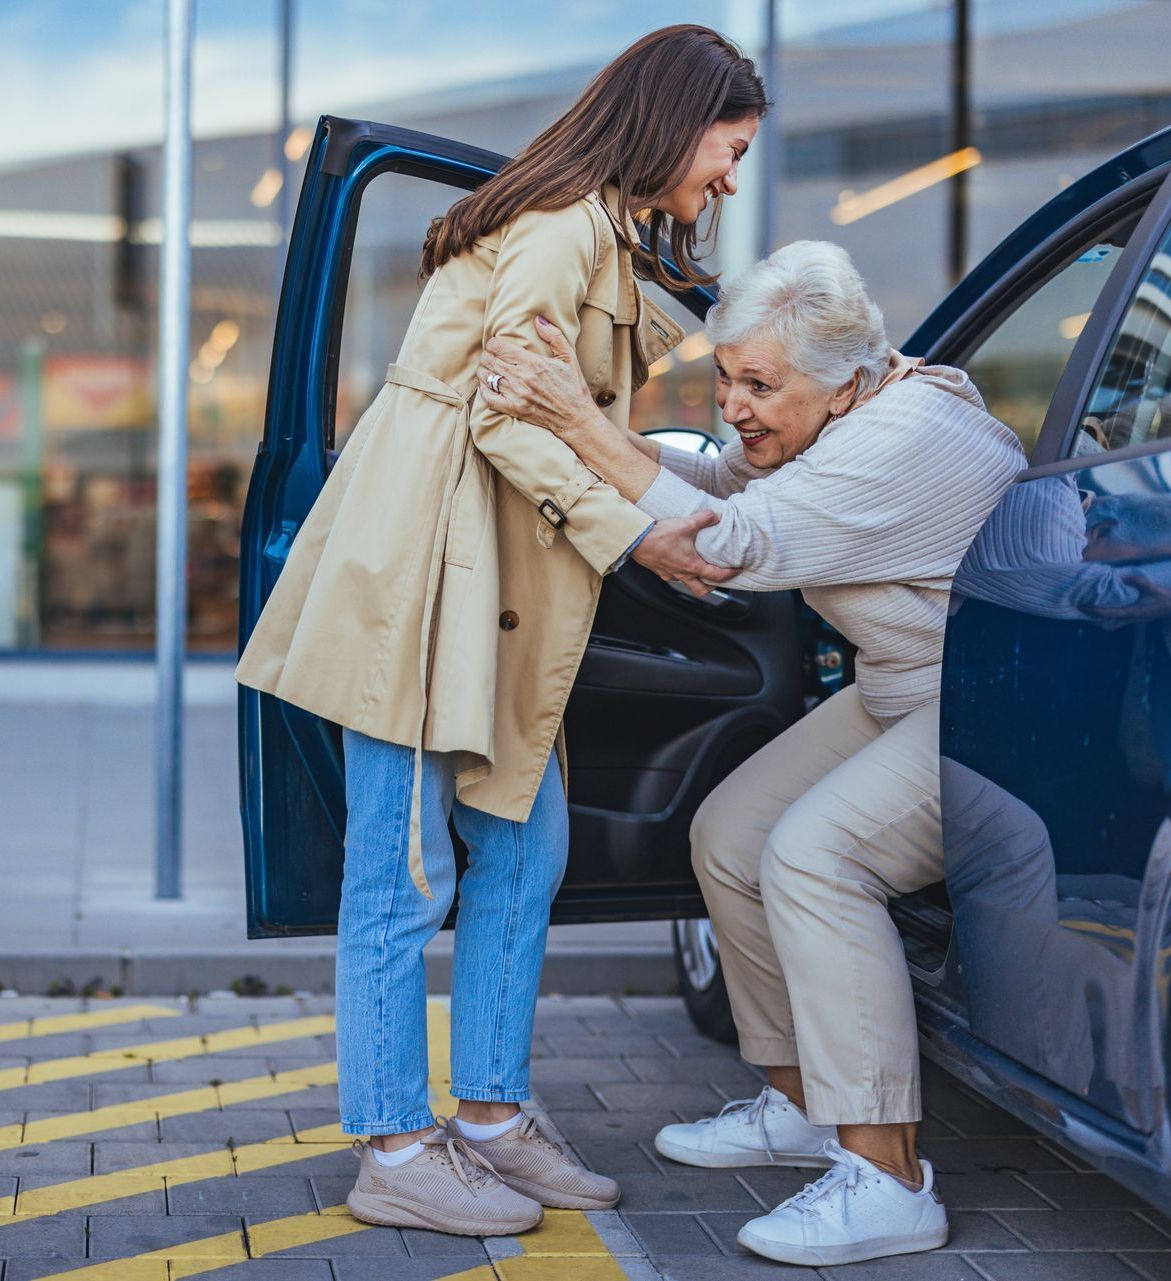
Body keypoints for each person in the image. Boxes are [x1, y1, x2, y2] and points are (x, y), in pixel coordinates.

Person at [235, 25, 766, 1237]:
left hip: (488, 586)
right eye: (728, 149)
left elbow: (559, 418)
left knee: (525, 850)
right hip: (428, 577)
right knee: (403, 873)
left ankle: (486, 1114)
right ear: (678, 121)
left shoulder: (598, 230)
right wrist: (639, 535)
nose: (728, 178)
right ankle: (392, 1144)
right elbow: (509, 415)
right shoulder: (561, 226)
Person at [477, 239, 1027, 1266]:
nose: (735, 402)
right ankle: (802, 1104)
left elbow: (729, 540)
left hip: (986, 710)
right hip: (902, 689)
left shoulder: (903, 436)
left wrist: (577, 423)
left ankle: (888, 1178)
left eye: (760, 384)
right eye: (726, 377)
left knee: (815, 855)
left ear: (846, 377)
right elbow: (716, 474)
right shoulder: (835, 412)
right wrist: (602, 435)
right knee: (730, 834)